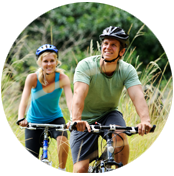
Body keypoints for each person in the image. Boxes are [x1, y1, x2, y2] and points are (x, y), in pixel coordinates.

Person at [70, 26, 152, 173]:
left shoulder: (127, 70)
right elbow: (79, 93)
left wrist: (145, 121)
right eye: (105, 43)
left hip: (109, 114)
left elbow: (137, 95)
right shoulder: (86, 65)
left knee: (120, 135)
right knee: (80, 169)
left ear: (122, 52)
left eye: (113, 44)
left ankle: (120, 172)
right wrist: (76, 119)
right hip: (84, 120)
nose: (108, 47)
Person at [17, 44, 73, 173]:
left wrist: (73, 119)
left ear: (56, 62)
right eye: (45, 61)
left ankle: (62, 171)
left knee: (63, 140)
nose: (49, 64)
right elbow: (24, 100)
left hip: (55, 118)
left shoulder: (63, 78)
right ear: (40, 62)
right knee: (30, 165)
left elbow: (71, 101)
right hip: (34, 121)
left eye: (52, 61)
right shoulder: (32, 78)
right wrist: (21, 117)